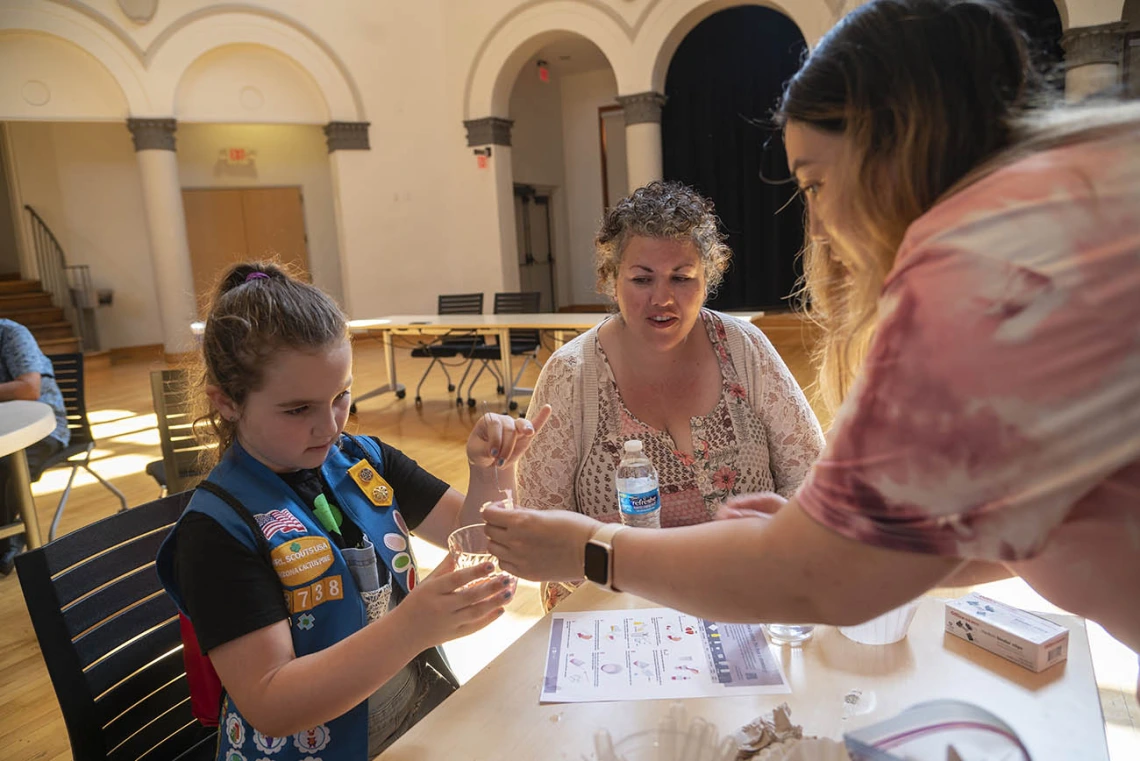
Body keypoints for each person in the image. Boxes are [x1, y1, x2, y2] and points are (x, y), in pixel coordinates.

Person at [485, 0, 1140, 676]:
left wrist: (597, 547)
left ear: (895, 142)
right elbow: (1007, 523)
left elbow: (822, 579)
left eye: (817, 184)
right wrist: (826, 538)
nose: (821, 229)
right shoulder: (1068, 200)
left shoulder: (970, 272)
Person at [156, 262, 551, 760]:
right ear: (227, 402)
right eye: (298, 410)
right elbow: (272, 702)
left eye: (341, 395)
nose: (329, 427)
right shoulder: (216, 532)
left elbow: (479, 539)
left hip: (413, 715)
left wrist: (491, 471)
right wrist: (411, 626)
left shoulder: (364, 459)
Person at [517, 181, 824, 610]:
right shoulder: (573, 376)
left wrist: (780, 556)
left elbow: (808, 475)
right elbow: (543, 532)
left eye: (681, 278)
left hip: (749, 603)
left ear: (707, 278)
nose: (662, 299)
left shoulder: (743, 348)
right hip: (618, 621)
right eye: (642, 279)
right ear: (611, 279)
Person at [0, 318, 70, 575]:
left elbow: (29, 388)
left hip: (44, 428)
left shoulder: (11, 333)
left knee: (7, 467)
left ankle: (9, 538)